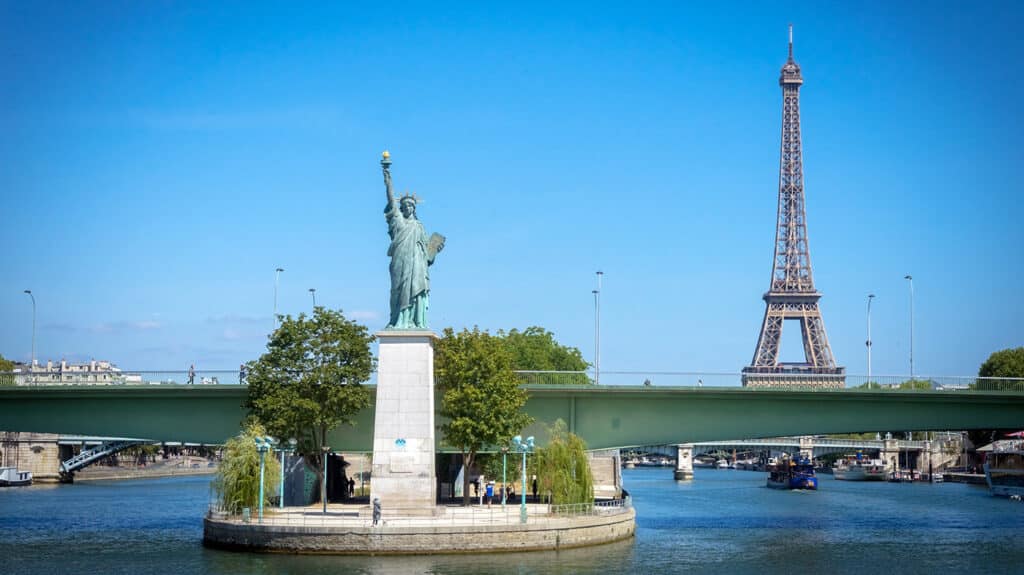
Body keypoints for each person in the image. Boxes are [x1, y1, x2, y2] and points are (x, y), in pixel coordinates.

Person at [381, 152, 445, 329]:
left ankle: (416, 321)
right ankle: (398, 320)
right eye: (405, 205)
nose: (408, 207)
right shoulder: (398, 221)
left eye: (411, 205)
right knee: (398, 290)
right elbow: (390, 198)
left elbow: (427, 253)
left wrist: (434, 249)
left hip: (417, 264)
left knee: (416, 289)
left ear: (414, 208)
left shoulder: (419, 227)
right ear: (401, 208)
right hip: (400, 262)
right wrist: (387, 175)